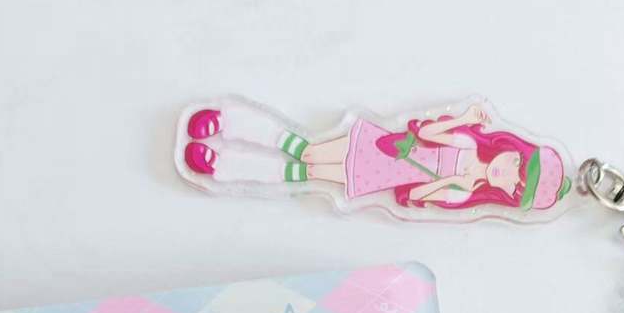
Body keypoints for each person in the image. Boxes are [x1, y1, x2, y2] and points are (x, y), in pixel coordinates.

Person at [182, 98, 570, 214]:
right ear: (512, 151)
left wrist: (455, 181)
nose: (508, 173)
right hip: (382, 147)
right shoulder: (469, 144)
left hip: (381, 177)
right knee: (308, 150)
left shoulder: (463, 193)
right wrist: (465, 120)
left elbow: (416, 195)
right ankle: (231, 121)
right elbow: (427, 134)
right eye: (518, 164)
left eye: (514, 184)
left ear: (508, 195)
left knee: (307, 172)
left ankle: (224, 165)